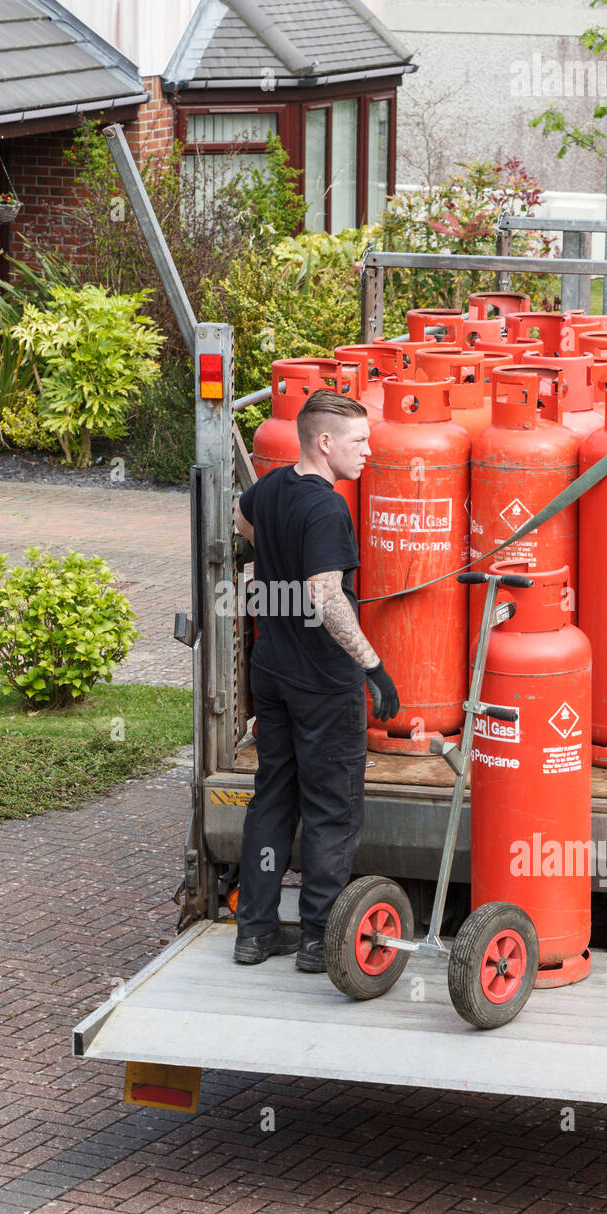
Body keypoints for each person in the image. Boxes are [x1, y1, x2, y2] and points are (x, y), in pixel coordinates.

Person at [232, 389, 400, 973]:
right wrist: (373, 667)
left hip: (272, 670)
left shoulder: (274, 485)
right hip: (322, 682)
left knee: (273, 797)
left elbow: (241, 519)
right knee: (331, 807)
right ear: (324, 443)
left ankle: (254, 933)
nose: (370, 451)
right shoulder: (327, 509)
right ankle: (317, 940)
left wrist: (275, 559)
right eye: (359, 441)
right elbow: (325, 596)